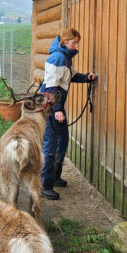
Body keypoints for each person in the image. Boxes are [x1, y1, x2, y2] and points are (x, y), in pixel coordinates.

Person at [39, 28, 96, 200]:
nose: (76, 45)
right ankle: (45, 185)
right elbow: (50, 87)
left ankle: (55, 177)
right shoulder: (57, 57)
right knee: (50, 145)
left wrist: (87, 78)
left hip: (56, 105)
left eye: (77, 42)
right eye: (74, 42)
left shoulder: (65, 58)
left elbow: (68, 76)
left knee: (62, 141)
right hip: (51, 106)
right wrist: (56, 111)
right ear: (65, 42)